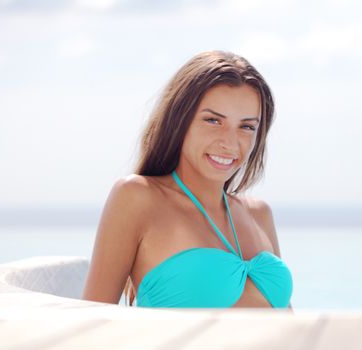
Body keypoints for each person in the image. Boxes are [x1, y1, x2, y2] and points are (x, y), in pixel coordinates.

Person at [82, 50, 293, 309]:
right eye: (213, 120)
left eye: (247, 126)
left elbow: (288, 323)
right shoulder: (137, 198)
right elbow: (91, 318)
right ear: (179, 121)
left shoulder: (259, 214)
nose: (229, 142)